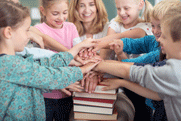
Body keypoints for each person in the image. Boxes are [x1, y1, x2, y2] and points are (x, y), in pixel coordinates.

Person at [0, 1, 100, 120]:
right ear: (8, 32)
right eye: (27, 30)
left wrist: (74, 53)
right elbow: (51, 76)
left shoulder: (15, 61)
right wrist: (82, 69)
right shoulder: (10, 65)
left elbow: (42, 64)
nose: (29, 35)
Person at [93, 5, 181, 120]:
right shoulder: (170, 63)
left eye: (165, 36)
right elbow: (158, 95)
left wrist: (93, 64)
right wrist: (100, 45)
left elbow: (131, 68)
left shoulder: (173, 71)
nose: (159, 39)